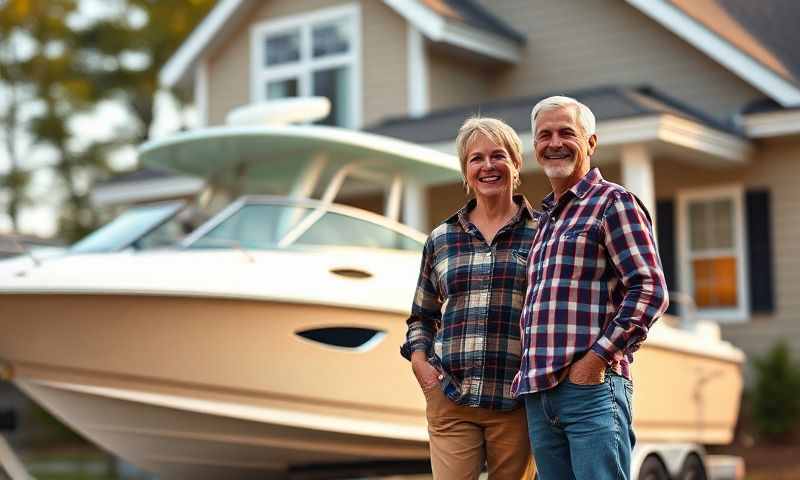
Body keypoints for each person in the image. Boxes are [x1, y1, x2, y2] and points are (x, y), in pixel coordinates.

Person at [512, 96, 669, 480]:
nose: (555, 142)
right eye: (544, 135)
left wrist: (595, 360)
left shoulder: (613, 203)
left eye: (567, 132)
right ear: (535, 146)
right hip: (540, 393)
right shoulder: (546, 218)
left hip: (592, 390)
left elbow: (649, 289)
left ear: (591, 143)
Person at [401, 117, 537, 479]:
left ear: (516, 164)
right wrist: (421, 366)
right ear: (465, 170)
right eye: (476, 159)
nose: (488, 166)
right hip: (450, 395)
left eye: (498, 156)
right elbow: (421, 315)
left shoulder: (542, 234)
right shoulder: (441, 238)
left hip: (518, 403)